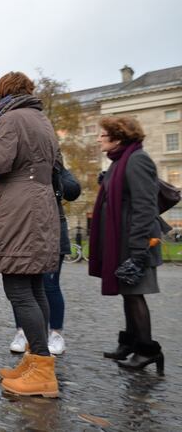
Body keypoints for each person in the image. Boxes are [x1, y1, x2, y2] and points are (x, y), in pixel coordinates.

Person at [0, 72, 62, 398]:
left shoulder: (12, 118)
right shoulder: (41, 119)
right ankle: (34, 361)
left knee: (18, 288)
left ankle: (41, 369)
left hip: (19, 208)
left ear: (2, 92)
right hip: (39, 205)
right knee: (34, 285)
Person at [90, 116, 165, 373]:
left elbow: (146, 207)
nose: (99, 138)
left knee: (135, 295)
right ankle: (131, 343)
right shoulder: (119, 162)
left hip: (137, 243)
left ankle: (148, 350)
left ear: (118, 138)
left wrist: (138, 250)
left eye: (103, 134)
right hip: (123, 241)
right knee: (128, 293)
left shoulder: (137, 160)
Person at [9, 164, 80, 355]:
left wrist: (55, 175)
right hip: (24, 230)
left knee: (50, 286)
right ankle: (23, 332)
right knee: (23, 287)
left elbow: (73, 190)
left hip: (53, 230)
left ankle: (55, 334)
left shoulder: (54, 164)